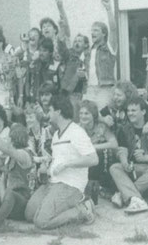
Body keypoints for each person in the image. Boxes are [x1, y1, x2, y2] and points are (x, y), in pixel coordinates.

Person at [24, 95, 97, 230]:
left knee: (41, 222)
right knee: (29, 214)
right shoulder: (57, 135)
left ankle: (82, 209)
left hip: (71, 185)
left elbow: (93, 159)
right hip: (53, 183)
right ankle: (64, 207)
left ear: (58, 112)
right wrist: (47, 164)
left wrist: (67, 164)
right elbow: (58, 158)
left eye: (50, 110)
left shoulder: (77, 132)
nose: (48, 114)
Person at [109, 96, 148, 213]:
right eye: (129, 111)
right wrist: (124, 162)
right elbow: (122, 150)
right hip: (132, 168)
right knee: (115, 167)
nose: (130, 113)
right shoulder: (124, 129)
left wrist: (147, 157)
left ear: (143, 111)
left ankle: (123, 194)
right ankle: (136, 199)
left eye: (134, 110)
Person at [77, 100, 118, 201]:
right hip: (85, 161)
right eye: (81, 113)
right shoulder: (77, 128)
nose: (83, 116)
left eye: (87, 113)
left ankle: (100, 186)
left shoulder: (101, 127)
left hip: (101, 163)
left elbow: (114, 144)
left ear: (93, 115)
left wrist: (94, 147)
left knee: (103, 152)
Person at [28, 38, 60, 102]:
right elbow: (29, 82)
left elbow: (58, 86)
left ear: (50, 52)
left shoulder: (56, 65)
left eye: (44, 51)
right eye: (40, 50)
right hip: (35, 98)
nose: (41, 53)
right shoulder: (34, 63)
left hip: (50, 100)